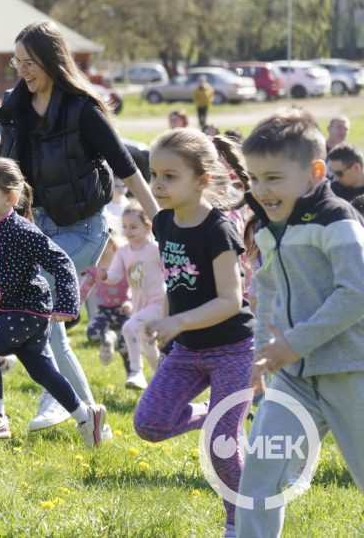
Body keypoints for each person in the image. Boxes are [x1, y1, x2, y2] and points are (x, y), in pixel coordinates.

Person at [0, 21, 158, 434]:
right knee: (50, 324)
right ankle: (91, 419)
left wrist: (162, 222)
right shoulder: (17, 109)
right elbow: (0, 174)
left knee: (40, 306)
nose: (23, 70)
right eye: (17, 62)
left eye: (30, 62)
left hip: (84, 230)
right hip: (38, 228)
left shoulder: (82, 109)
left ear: (52, 60)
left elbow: (127, 169)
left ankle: (60, 402)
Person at [236, 110, 364, 538]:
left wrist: (294, 343)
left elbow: (357, 294)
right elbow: (267, 289)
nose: (261, 190)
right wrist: (261, 353)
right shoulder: (273, 226)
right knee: (259, 475)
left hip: (351, 373)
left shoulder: (338, 221)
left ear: (314, 172)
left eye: (272, 177)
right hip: (293, 380)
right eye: (253, 178)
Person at [132, 128, 254, 537]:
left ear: (203, 180)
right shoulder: (164, 222)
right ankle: (212, 416)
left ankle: (239, 521)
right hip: (185, 350)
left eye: (170, 176)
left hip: (234, 350)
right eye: (154, 175)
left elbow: (230, 300)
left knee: (223, 447)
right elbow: (176, 280)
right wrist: (165, 323)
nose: (158, 184)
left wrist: (177, 322)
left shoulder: (219, 230)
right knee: (148, 425)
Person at [0, 157, 108, 444]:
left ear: (10, 198)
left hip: (27, 311)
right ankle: (85, 416)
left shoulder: (22, 230)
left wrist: (67, 305)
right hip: (2, 313)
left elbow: (62, 262)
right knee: (41, 370)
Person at [100, 203, 166, 390]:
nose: (128, 231)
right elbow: (115, 275)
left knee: (129, 328)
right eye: (125, 226)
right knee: (148, 348)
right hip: (139, 306)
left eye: (133, 226)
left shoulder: (155, 249)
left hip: (158, 302)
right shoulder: (123, 252)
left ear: (148, 227)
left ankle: (136, 371)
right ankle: (161, 384)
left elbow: (170, 272)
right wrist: (105, 276)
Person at [81, 234, 130, 375]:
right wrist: (74, 305)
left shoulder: (124, 263)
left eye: (102, 244)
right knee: (93, 332)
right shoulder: (94, 269)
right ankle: (108, 338)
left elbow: (134, 285)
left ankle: (132, 373)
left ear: (111, 244)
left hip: (124, 310)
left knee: (125, 346)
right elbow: (85, 288)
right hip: (104, 310)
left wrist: (131, 302)